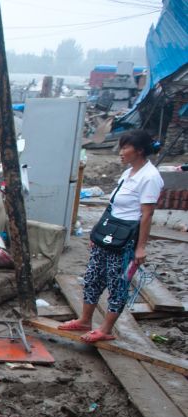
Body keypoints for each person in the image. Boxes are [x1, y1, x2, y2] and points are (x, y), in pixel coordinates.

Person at [59, 130, 163, 343]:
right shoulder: (129, 172)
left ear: (140, 150)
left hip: (126, 241)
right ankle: (85, 320)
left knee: (117, 284)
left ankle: (105, 329)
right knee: (93, 278)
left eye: (125, 147)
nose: (121, 152)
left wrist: (141, 247)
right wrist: (98, 232)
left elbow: (147, 214)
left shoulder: (150, 177)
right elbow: (113, 205)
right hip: (109, 234)